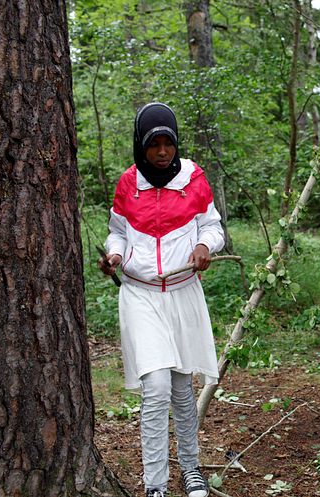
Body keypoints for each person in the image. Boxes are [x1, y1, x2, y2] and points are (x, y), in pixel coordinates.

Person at [98, 102, 224, 497]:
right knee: (155, 386)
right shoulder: (127, 183)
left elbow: (212, 226)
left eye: (168, 143)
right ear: (141, 146)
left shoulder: (193, 178)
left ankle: (191, 469)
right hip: (142, 295)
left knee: (182, 386)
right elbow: (117, 232)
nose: (163, 152)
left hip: (183, 292)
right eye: (154, 145)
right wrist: (114, 254)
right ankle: (155, 485)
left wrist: (205, 245)